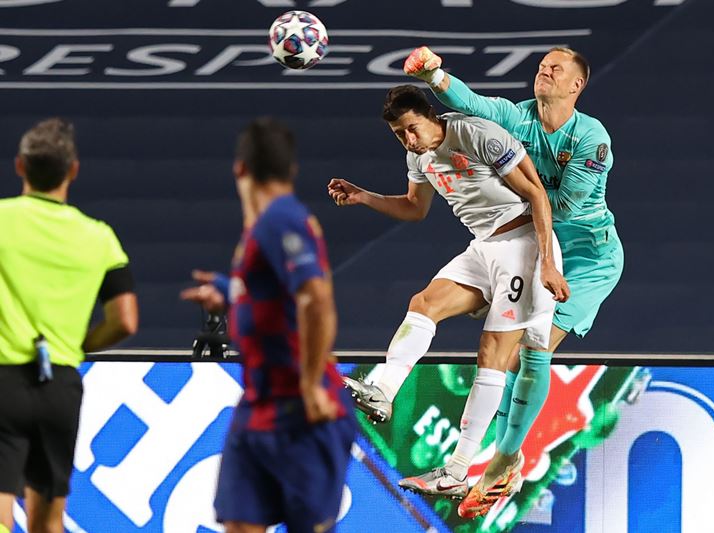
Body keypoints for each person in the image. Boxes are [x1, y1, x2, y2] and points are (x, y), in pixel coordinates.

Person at [403, 46, 624, 516]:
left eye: (555, 69)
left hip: (587, 257)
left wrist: (503, 194)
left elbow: (558, 206)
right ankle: (499, 460)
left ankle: (503, 461)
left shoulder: (591, 138)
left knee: (533, 348)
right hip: (537, 248)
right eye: (541, 66)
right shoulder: (515, 116)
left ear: (576, 85)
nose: (544, 72)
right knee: (512, 352)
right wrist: (435, 75)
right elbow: (472, 104)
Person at [328, 85, 568, 517]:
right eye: (399, 134)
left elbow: (537, 194)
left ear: (430, 116)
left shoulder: (477, 135)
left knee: (492, 354)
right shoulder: (418, 157)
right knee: (424, 303)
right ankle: (383, 391)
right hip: (483, 248)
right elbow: (414, 208)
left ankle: (458, 470)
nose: (409, 140)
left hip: (525, 246)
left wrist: (548, 263)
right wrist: (363, 196)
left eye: (412, 129)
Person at [181, 117, 355, 533]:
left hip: (304, 411)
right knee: (238, 524)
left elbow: (316, 299)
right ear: (291, 170)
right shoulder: (263, 226)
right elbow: (269, 293)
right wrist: (226, 290)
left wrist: (310, 385)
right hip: (258, 405)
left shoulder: (282, 219)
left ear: (240, 168)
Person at [0, 118, 138, 533]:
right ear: (73, 171)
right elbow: (125, 320)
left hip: (3, 382)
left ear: (20, 165)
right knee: (49, 520)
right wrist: (79, 345)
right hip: (59, 387)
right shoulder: (99, 237)